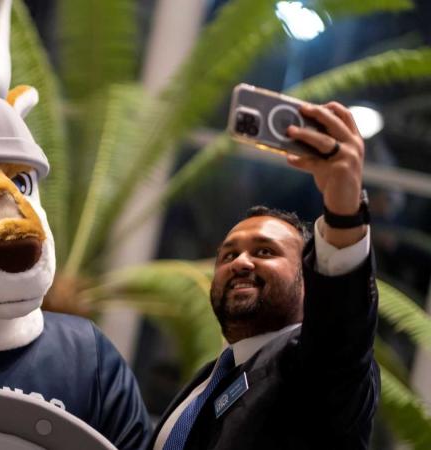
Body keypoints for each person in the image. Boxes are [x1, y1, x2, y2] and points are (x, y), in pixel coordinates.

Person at [150, 102, 379, 450]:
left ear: (309, 275)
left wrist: (344, 212)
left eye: (264, 252)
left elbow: (341, 330)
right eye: (228, 254)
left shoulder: (317, 370)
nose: (240, 262)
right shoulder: (207, 382)